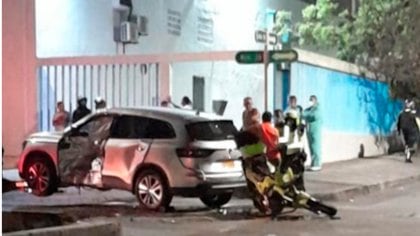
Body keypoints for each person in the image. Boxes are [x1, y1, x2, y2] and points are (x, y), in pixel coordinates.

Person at [302, 95, 322, 171]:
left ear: (315, 101)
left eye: (311, 100)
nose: (310, 101)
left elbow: (313, 116)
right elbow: (303, 113)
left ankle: (317, 164)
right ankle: (313, 163)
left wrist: (305, 115)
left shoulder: (317, 109)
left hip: (315, 131)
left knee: (315, 147)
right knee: (311, 147)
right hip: (309, 130)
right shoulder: (310, 109)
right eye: (309, 100)